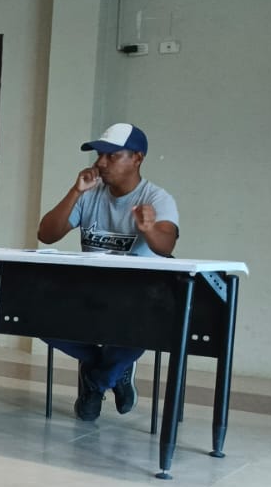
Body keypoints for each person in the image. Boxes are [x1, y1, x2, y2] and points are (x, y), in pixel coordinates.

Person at [37, 123, 180, 421]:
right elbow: (47, 234)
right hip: (89, 293)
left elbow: (166, 245)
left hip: (138, 299)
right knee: (35, 317)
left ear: (137, 158)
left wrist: (149, 229)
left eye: (111, 156)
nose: (101, 163)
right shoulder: (90, 194)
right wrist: (75, 192)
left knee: (144, 328)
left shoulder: (156, 198)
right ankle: (115, 368)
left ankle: (97, 380)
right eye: (100, 155)